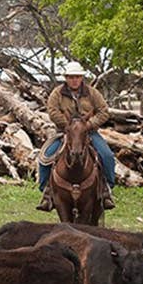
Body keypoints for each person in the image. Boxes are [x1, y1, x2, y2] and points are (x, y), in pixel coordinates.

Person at [37, 62, 116, 211]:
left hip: (89, 132)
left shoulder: (92, 93)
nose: (74, 80)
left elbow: (103, 111)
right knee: (45, 157)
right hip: (64, 133)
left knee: (107, 156)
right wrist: (68, 125)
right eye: (71, 77)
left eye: (77, 77)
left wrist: (89, 125)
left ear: (82, 78)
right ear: (66, 78)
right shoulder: (57, 93)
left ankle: (106, 190)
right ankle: (47, 192)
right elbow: (52, 111)